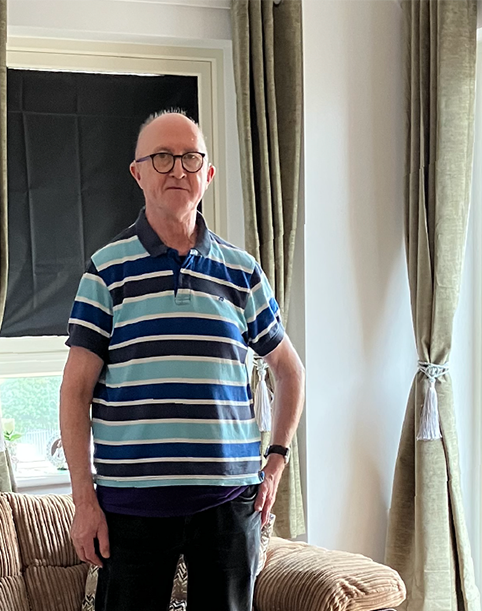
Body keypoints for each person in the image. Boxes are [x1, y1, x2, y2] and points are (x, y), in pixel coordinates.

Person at [59, 110, 305, 611]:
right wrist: (85, 500)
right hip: (131, 506)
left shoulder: (242, 272)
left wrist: (275, 462)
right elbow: (75, 391)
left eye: (190, 158)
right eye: (162, 157)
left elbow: (289, 370)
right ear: (139, 173)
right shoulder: (107, 271)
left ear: (207, 175)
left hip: (229, 503)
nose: (177, 170)